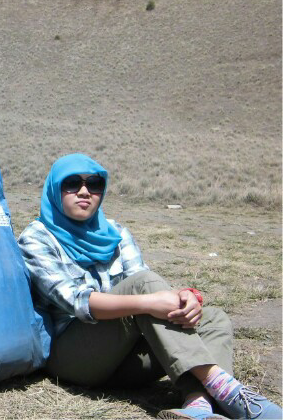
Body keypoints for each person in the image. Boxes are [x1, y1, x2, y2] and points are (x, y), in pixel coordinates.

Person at [17, 154, 281, 420]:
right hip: (75, 359)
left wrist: (185, 298)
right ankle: (228, 391)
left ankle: (197, 405)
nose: (84, 191)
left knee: (214, 319)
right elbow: (77, 301)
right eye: (72, 183)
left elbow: (143, 283)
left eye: (94, 184)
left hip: (123, 362)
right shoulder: (37, 238)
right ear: (55, 189)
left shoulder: (115, 233)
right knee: (145, 290)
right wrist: (148, 302)